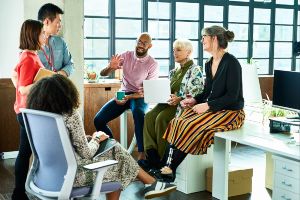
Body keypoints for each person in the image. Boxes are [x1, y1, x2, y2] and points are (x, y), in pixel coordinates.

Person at [26, 74, 177, 200]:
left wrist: (86, 138)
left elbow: (60, 142)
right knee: (117, 162)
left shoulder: (38, 116)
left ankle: (150, 183)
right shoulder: (70, 115)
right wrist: (96, 139)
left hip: (43, 176)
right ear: (66, 94)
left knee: (114, 147)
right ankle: (151, 182)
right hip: (71, 177)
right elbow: (86, 153)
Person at [154, 25, 245, 182]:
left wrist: (207, 105)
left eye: (204, 37)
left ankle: (170, 169)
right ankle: (165, 165)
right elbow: (207, 92)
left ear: (214, 38)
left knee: (192, 125)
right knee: (178, 121)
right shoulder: (209, 63)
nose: (201, 40)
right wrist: (195, 100)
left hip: (231, 112)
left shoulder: (232, 63)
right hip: (214, 109)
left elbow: (232, 96)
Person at [139, 39, 204, 170]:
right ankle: (152, 157)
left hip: (181, 106)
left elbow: (198, 92)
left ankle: (163, 161)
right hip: (167, 103)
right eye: (174, 50)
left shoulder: (195, 70)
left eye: (179, 50)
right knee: (149, 116)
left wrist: (179, 98)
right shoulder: (174, 71)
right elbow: (167, 90)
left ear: (189, 52)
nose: (175, 53)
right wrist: (151, 91)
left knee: (161, 118)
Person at [94, 32, 159, 160]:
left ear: (150, 46)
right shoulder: (126, 56)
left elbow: (146, 92)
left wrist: (128, 98)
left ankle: (141, 154)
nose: (140, 45)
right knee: (98, 120)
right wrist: (110, 67)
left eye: (144, 43)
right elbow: (103, 74)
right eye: (139, 41)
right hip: (123, 92)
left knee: (139, 113)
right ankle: (113, 149)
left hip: (139, 96)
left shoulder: (153, 64)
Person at [11, 19, 45, 200]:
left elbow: (14, 76)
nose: (44, 36)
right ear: (33, 35)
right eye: (42, 33)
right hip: (28, 113)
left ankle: (20, 193)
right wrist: (44, 81)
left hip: (25, 112)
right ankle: (22, 191)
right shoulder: (29, 58)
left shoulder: (27, 55)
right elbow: (24, 88)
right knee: (28, 152)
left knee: (25, 152)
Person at [37, 3, 74, 77]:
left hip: (59, 85)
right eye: (58, 22)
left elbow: (70, 64)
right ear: (47, 21)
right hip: (40, 87)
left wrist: (60, 74)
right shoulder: (31, 44)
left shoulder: (61, 42)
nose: (60, 25)